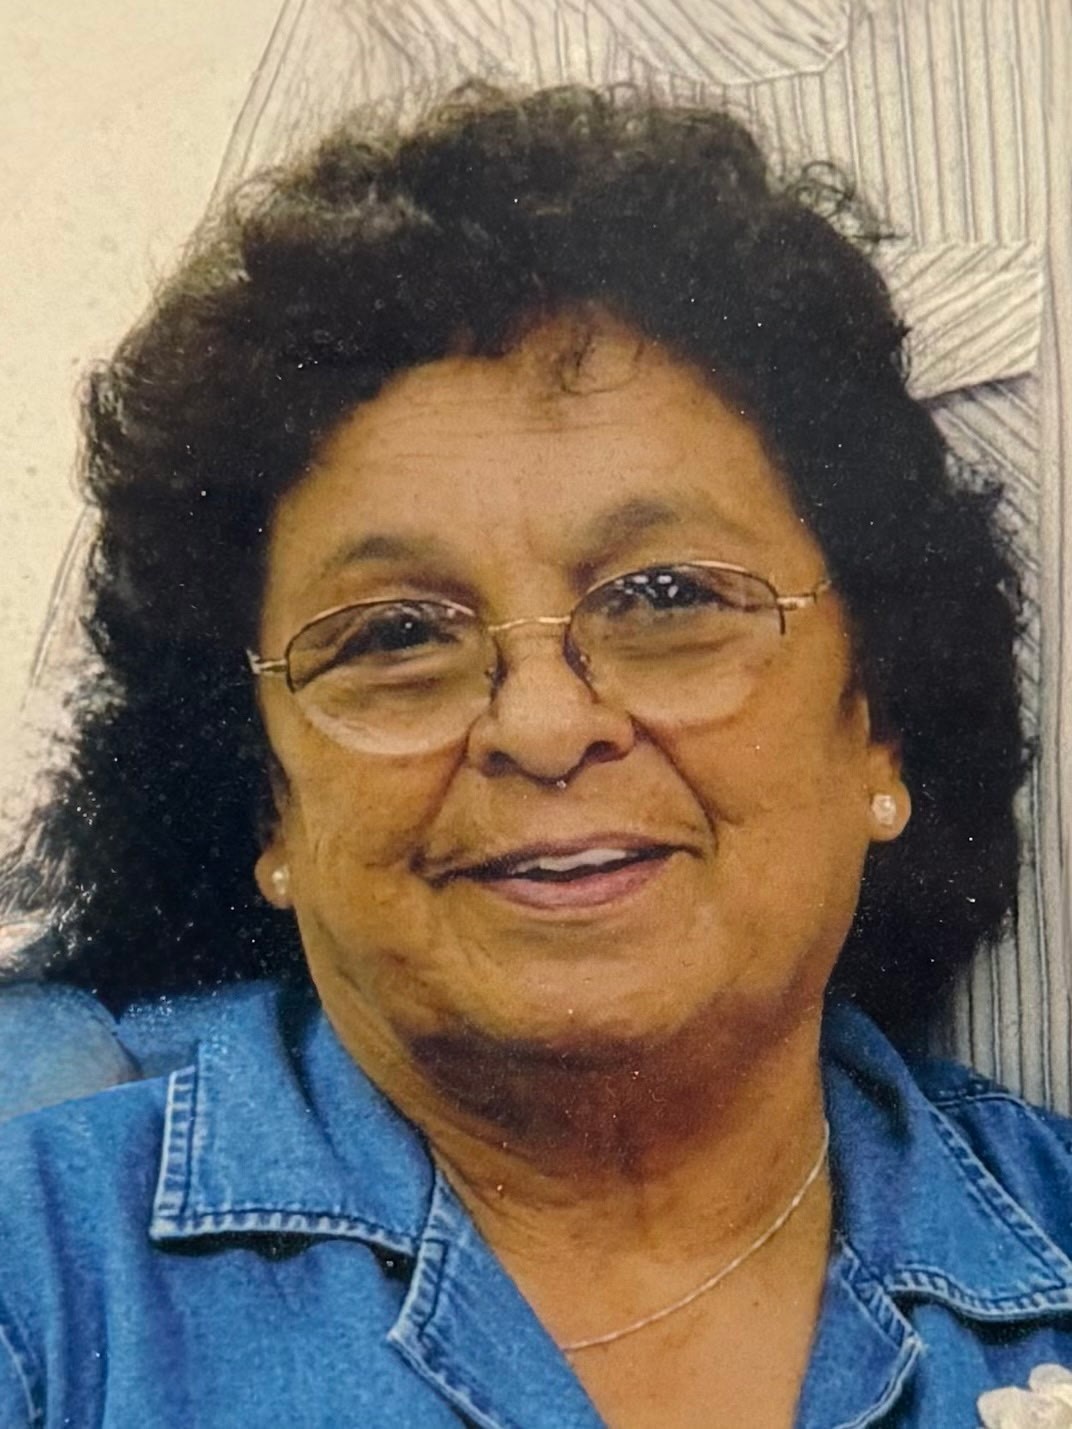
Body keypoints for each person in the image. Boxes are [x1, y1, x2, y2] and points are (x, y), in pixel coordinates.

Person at [0, 82, 1066, 1429]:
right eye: (393, 634)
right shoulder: (40, 1292)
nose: (546, 724)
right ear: (265, 790)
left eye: (670, 597)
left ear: (883, 714)